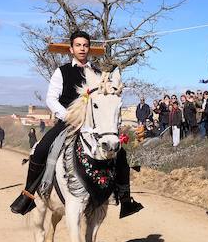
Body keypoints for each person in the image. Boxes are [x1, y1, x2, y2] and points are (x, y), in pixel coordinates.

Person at [9, 30, 142, 217]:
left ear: (89, 48)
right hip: (68, 122)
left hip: (93, 126)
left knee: (120, 154)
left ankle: (124, 198)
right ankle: (28, 195)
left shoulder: (98, 74)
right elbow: (51, 99)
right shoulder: (61, 71)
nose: (82, 48)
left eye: (85, 45)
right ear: (71, 49)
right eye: (78, 45)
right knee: (41, 150)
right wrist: (67, 116)